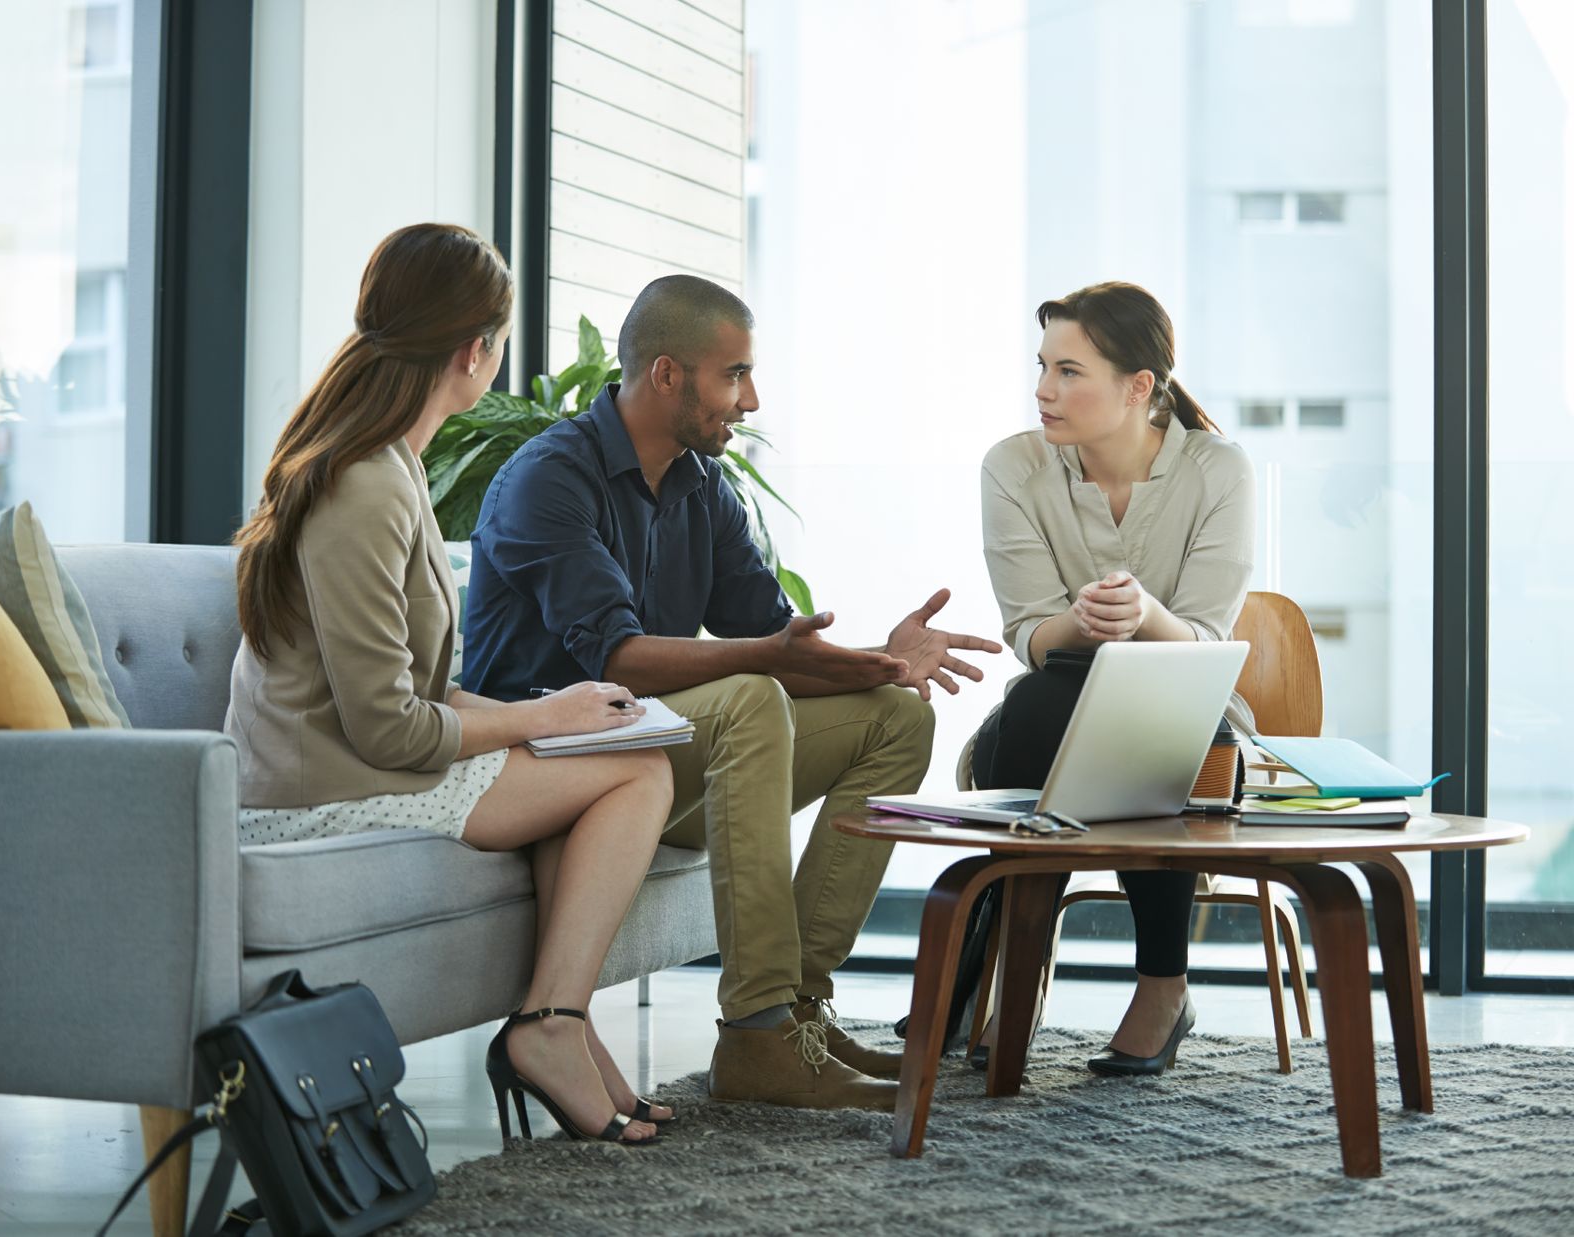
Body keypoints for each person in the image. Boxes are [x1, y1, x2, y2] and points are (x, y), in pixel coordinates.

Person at [462, 274, 1003, 1110]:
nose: (750, 400)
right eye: (735, 375)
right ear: (669, 374)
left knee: (895, 719)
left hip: (645, 761)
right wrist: (772, 659)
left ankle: (796, 1017)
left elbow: (776, 640)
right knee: (751, 699)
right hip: (548, 762)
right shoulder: (549, 478)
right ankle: (753, 1037)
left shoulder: (701, 486)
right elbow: (622, 661)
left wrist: (884, 661)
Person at [225, 223, 675, 1145]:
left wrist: (554, 718)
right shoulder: (365, 484)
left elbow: (421, 689)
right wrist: (544, 715)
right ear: (476, 350)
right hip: (319, 795)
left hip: (354, 763)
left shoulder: (389, 466)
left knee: (601, 756)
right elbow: (390, 727)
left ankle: (564, 1021)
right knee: (640, 772)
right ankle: (549, 1031)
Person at [978, 280, 1257, 1076]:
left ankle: (1157, 987)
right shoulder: (1013, 467)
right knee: (1045, 703)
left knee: (1139, 718)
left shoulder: (1220, 471)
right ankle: (1011, 970)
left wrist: (1142, 617)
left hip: (1191, 710)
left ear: (1139, 388)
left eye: (1069, 372)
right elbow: (1031, 633)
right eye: (1042, 367)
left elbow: (1203, 641)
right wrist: (1083, 619)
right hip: (1053, 698)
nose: (1043, 390)